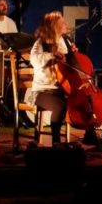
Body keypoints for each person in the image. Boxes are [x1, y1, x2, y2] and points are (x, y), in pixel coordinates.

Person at [28, 11, 75, 145]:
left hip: (61, 89)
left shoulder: (65, 41)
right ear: (54, 25)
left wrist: (72, 55)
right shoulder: (41, 43)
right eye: (62, 22)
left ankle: (90, 134)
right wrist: (51, 55)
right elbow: (34, 60)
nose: (66, 24)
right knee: (60, 105)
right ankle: (56, 141)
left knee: (84, 100)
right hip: (42, 91)